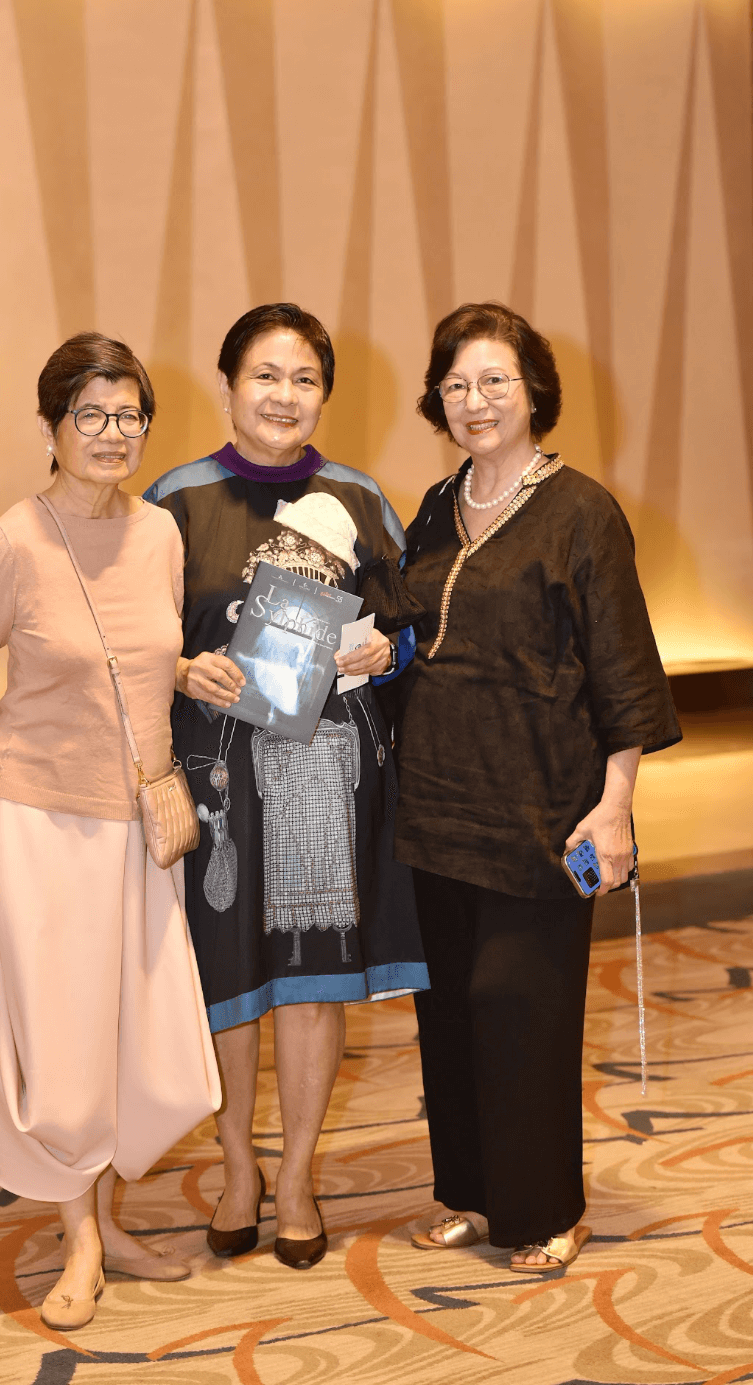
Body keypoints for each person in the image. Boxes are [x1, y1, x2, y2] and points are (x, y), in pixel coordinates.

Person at [0, 332, 219, 1330]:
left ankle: (107, 1221)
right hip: (40, 830)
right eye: (90, 414)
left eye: (128, 414)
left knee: (127, 1028)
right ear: (52, 426)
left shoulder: (159, 534)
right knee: (59, 1037)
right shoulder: (14, 539)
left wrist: (183, 676)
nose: (112, 433)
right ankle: (83, 1239)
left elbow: (145, 656)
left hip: (138, 822)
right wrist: (17, 764)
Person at [392, 302, 681, 1273]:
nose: (474, 401)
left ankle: (548, 1207)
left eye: (494, 382)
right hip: (436, 805)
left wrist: (615, 804)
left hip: (543, 811)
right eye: (456, 383)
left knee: (523, 1009)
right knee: (451, 1014)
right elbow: (401, 623)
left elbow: (625, 672)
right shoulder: (436, 506)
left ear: (533, 393)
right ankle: (472, 1194)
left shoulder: (582, 510)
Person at [145, 302, 429, 1270]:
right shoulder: (175, 500)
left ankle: (298, 1175)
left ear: (323, 394)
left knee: (309, 983)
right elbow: (133, 635)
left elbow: (412, 625)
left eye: (304, 378)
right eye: (266, 375)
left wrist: (388, 651)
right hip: (218, 779)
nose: (284, 395)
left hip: (325, 776)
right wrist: (185, 668)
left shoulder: (356, 496)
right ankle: (236, 1167)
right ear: (228, 384)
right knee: (227, 978)